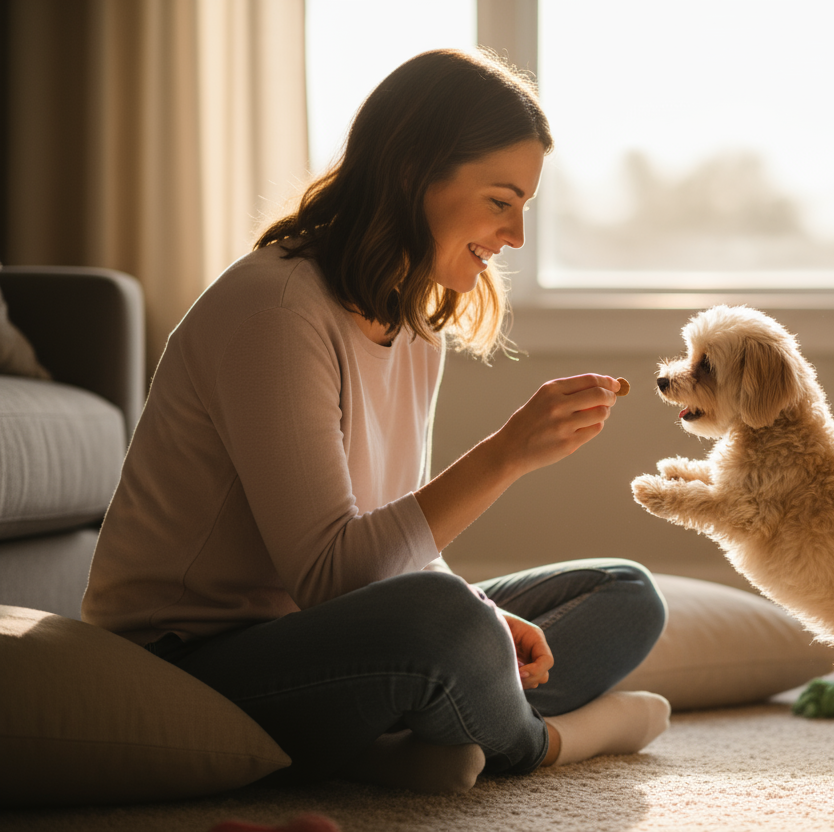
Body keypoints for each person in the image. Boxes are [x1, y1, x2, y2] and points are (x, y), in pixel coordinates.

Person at [81, 48, 670, 793]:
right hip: (189, 660)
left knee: (625, 592)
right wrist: (507, 454)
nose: (515, 235)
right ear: (411, 174)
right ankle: (543, 740)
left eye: (524, 206)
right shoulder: (275, 309)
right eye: (500, 200)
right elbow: (331, 574)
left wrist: (486, 614)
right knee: (440, 624)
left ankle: (423, 726)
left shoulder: (413, 323)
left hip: (330, 637)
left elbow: (393, 545)